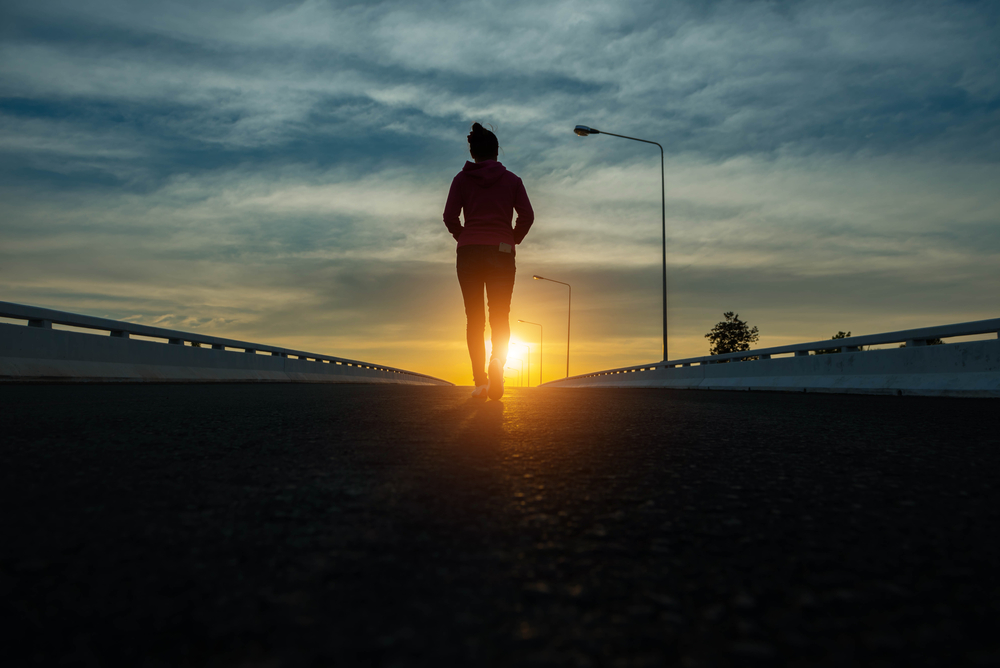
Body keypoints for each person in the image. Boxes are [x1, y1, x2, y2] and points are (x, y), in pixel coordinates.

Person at [443, 123, 534, 400]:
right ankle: (498, 363)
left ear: (474, 153)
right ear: (496, 152)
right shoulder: (513, 181)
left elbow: (449, 217)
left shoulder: (461, 179)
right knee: (499, 315)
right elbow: (527, 216)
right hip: (501, 251)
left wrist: (464, 236)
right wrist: (511, 239)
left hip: (468, 251)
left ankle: (480, 382)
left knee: (474, 319)